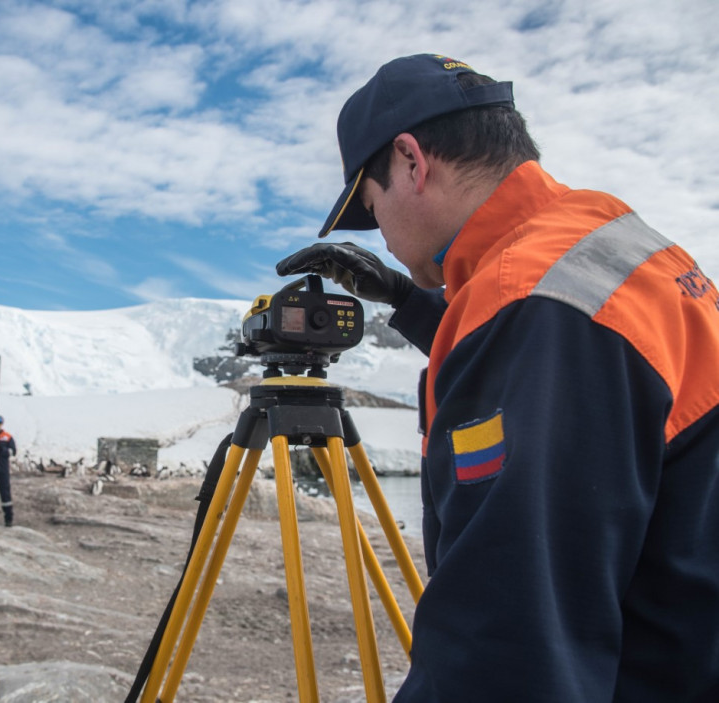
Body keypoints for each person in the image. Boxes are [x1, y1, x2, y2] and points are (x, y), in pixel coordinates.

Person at [277, 53, 719, 702]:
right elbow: (578, 378)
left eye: (371, 211)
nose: (383, 238)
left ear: (410, 160)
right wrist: (408, 299)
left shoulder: (528, 308)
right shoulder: (601, 240)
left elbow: (508, 647)